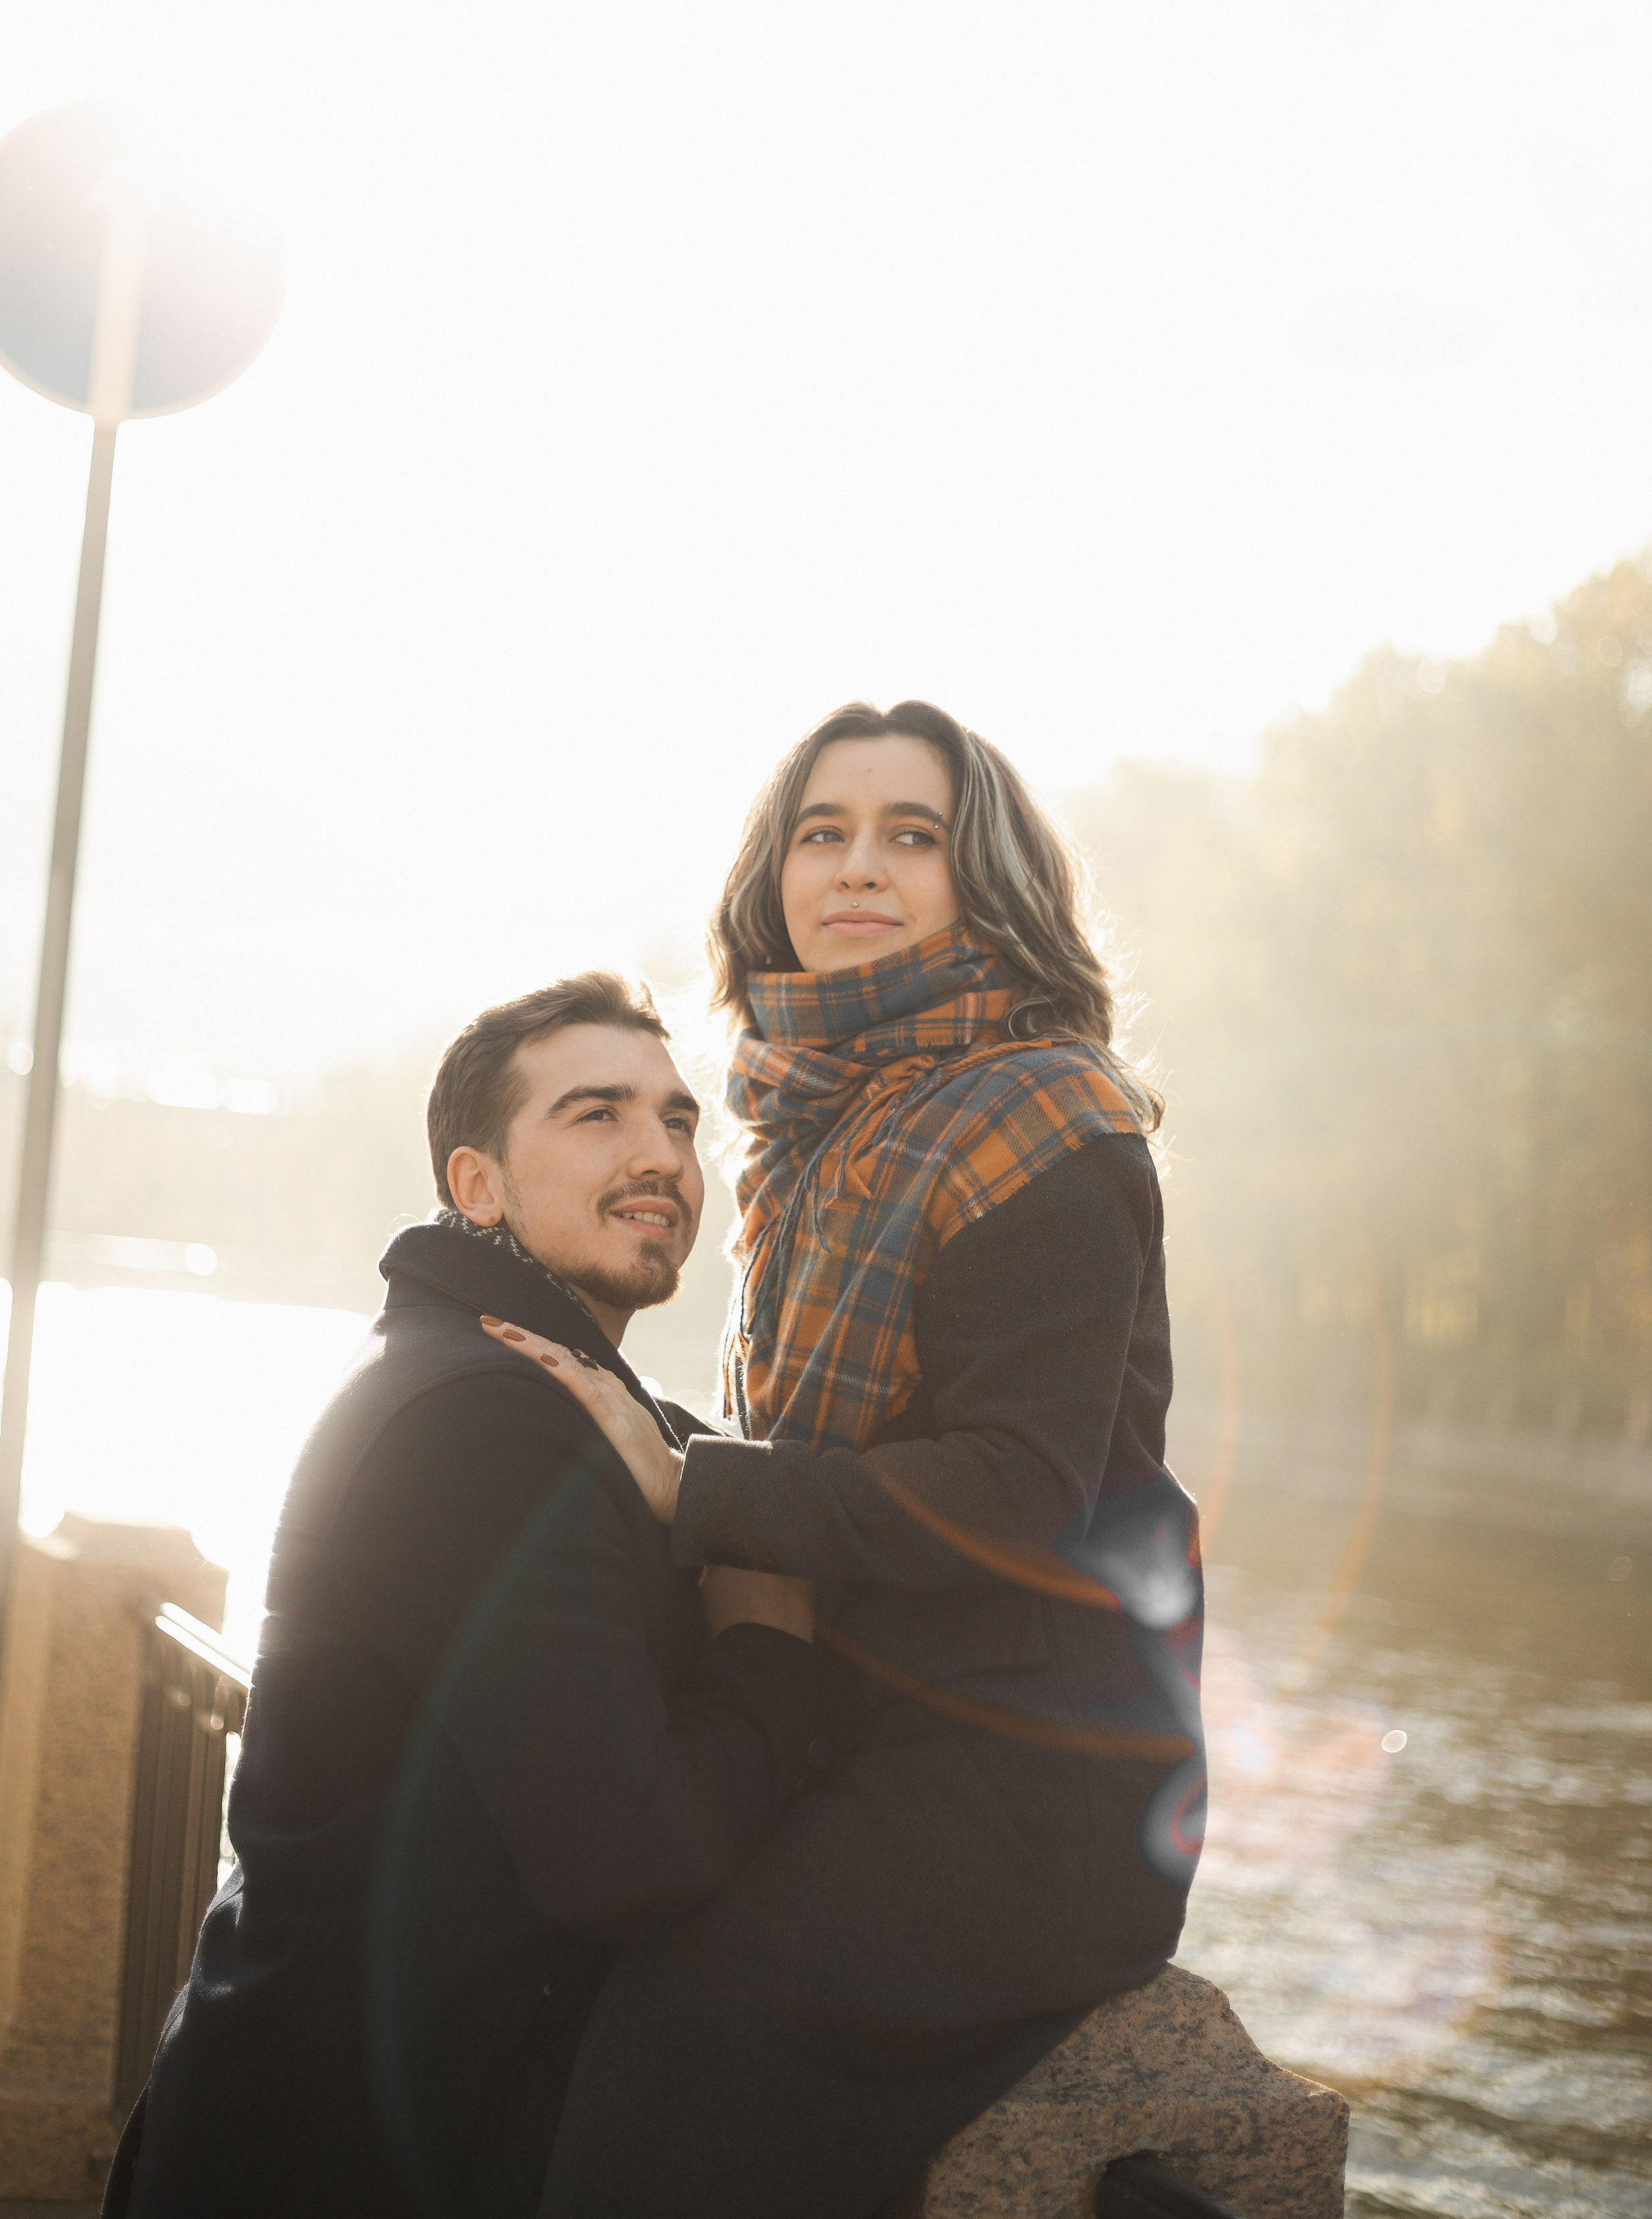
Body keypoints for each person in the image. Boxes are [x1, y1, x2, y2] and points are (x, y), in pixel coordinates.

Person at [502, 699, 1207, 2219]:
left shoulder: (1049, 1124)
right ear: (776, 875)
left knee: (680, 2032)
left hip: (1031, 1786)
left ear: (986, 879)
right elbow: (806, 1447)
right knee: (558, 1938)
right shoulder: (814, 1125)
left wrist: (694, 1486)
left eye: (912, 836)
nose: (858, 867)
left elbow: (1018, 1491)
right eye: (822, 833)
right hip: (855, 1719)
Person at [105, 972, 861, 2219]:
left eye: (677, 1120)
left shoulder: (517, 1382)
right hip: (347, 2156)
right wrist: (769, 1651)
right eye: (596, 1114)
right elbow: (630, 1855)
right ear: (478, 1185)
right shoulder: (482, 1423)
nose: (660, 1154)